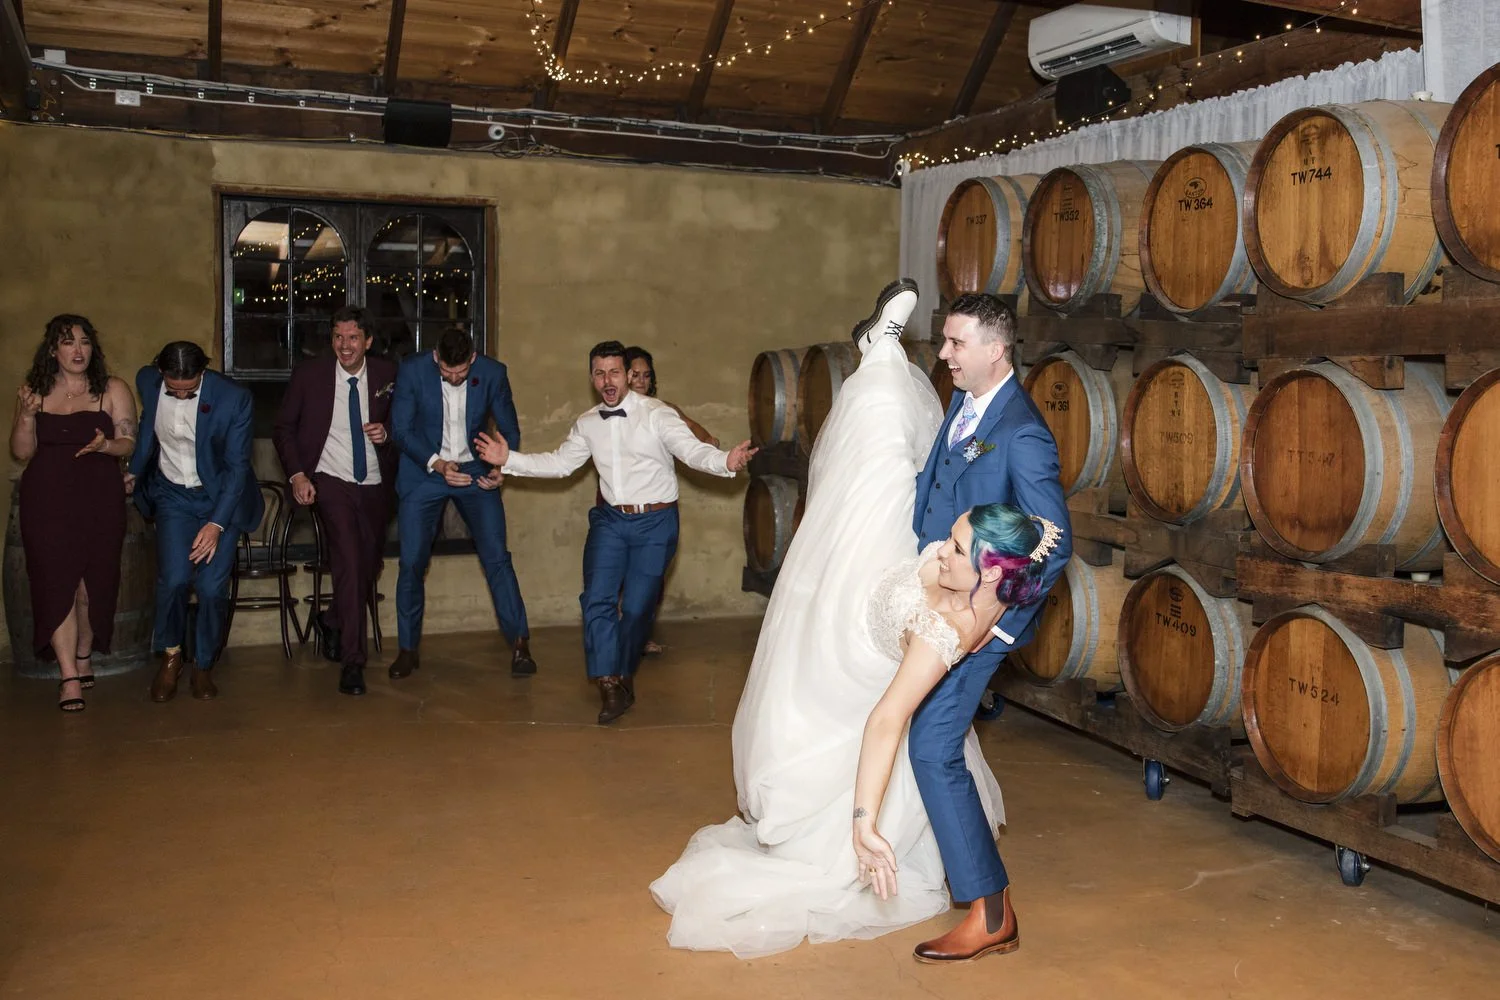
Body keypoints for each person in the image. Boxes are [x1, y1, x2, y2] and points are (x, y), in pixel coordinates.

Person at [905, 291, 1071, 962]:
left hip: (976, 621)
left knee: (931, 742)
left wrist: (995, 626)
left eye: (955, 343)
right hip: (936, 597)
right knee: (928, 739)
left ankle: (990, 910)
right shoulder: (965, 402)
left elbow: (1051, 542)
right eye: (945, 342)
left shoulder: (1025, 433)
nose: (944, 353)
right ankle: (961, 873)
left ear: (995, 350)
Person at [474, 341, 755, 724]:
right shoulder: (588, 423)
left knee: (638, 609)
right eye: (599, 373)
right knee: (597, 600)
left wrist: (726, 461)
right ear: (592, 377)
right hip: (609, 522)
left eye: (615, 372)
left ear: (627, 375)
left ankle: (623, 672)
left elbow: (691, 451)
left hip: (656, 522)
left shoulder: (657, 414)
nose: (607, 381)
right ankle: (608, 682)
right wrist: (510, 460)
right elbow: (560, 463)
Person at [388, 326, 535, 681]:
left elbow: (509, 428)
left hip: (476, 471)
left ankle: (520, 645)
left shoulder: (493, 373)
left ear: (472, 359)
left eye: (462, 372)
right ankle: (408, 649)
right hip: (425, 471)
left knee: (497, 557)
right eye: (446, 372)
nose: (454, 379)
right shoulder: (412, 370)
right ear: (436, 357)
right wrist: (437, 464)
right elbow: (401, 429)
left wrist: (501, 465)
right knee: (411, 562)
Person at [10, 314, 137, 712]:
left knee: (90, 585)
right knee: (56, 584)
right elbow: (21, 452)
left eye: (84, 342)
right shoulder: (35, 392)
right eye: (68, 343)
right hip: (46, 499)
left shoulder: (112, 388)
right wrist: (28, 414)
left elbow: (128, 442)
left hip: (99, 497)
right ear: (53, 350)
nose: (78, 350)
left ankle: (84, 656)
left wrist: (105, 447)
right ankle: (69, 677)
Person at [273, 306, 397, 696]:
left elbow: (410, 420)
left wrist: (387, 432)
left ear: (368, 341)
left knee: (367, 565)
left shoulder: (388, 375)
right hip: (329, 480)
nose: (345, 345)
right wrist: (297, 475)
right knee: (348, 561)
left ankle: (331, 619)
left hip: (376, 484)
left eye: (353, 338)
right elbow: (283, 427)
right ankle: (353, 662)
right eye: (338, 337)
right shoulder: (310, 376)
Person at [130, 342, 264, 703]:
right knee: (173, 579)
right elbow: (146, 432)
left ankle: (204, 665)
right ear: (161, 375)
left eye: (187, 390)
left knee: (209, 589)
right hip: (173, 496)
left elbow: (237, 469)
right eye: (172, 389)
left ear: (202, 373)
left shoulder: (234, 399)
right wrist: (133, 471)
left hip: (221, 498)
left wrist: (217, 524)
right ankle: (172, 656)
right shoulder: (146, 380)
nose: (178, 394)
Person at [622, 345, 718, 657]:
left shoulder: (665, 410)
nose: (640, 381)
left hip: (657, 505)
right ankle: (622, 634)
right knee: (619, 572)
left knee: (652, 575)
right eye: (634, 374)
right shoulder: (610, 412)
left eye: (646, 375)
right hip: (618, 504)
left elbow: (707, 439)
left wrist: (699, 452)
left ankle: (639, 633)